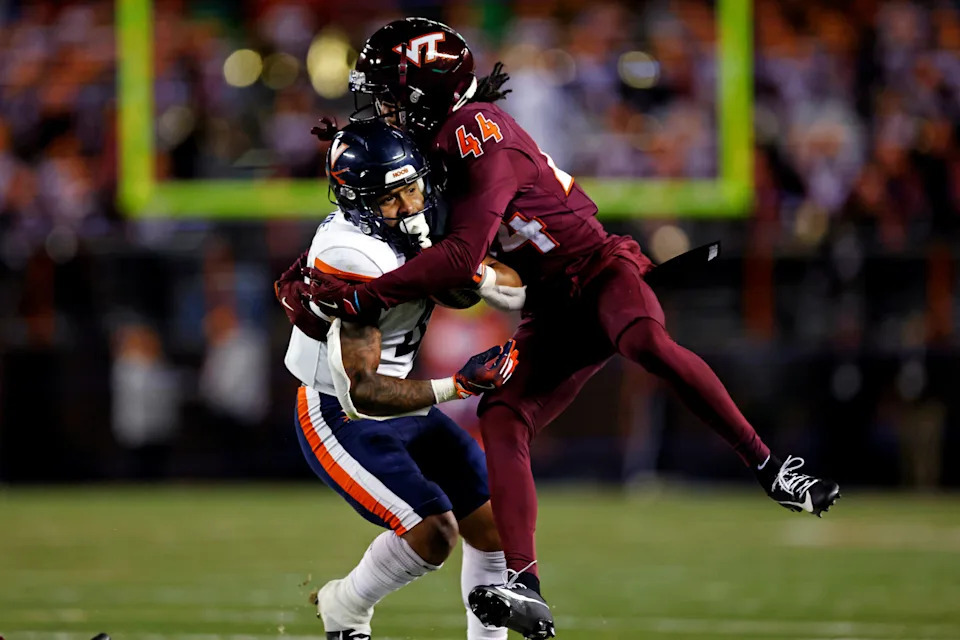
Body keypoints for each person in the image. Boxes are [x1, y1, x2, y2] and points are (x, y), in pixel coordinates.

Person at [278, 18, 841, 639]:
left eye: (390, 92)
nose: (382, 107)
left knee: (644, 342)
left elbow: (464, 264)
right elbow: (461, 274)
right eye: (396, 193)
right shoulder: (407, 178)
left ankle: (771, 467)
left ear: (424, 93)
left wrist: (373, 295)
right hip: (519, 320)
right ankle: (524, 584)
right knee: (499, 422)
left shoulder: (467, 134)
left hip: (595, 273)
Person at [281, 119, 524, 640]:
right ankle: (346, 605)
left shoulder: (415, 220)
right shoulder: (352, 254)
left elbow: (492, 287)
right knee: (433, 531)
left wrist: (468, 270)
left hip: (404, 405)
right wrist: (457, 387)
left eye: (412, 187)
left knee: (493, 526)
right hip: (340, 412)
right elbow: (363, 389)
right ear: (358, 201)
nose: (410, 206)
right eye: (390, 197)